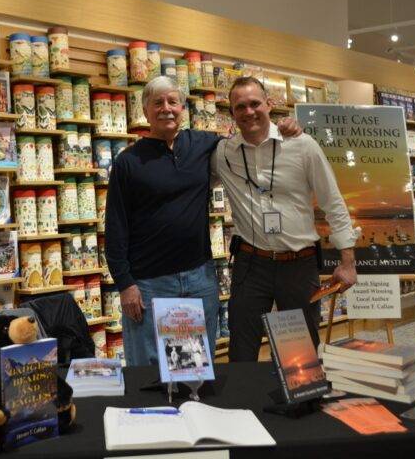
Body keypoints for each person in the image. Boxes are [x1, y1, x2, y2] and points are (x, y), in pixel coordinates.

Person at [105, 76, 299, 367]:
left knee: (192, 368)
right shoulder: (128, 162)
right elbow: (115, 227)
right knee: (148, 369)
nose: (166, 109)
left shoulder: (203, 145)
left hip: (198, 277)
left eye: (173, 101)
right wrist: (125, 284)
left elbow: (249, 140)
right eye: (157, 103)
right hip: (148, 284)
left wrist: (283, 128)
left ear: (183, 108)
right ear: (145, 112)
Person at [212, 76, 359, 362]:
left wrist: (348, 263)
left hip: (298, 265)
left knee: (299, 354)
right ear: (232, 113)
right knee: (241, 349)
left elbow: (333, 203)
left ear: (270, 104)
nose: (249, 111)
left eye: (255, 103)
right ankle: (244, 405)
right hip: (250, 264)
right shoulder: (223, 154)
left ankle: (301, 406)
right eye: (240, 106)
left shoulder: (303, 146)